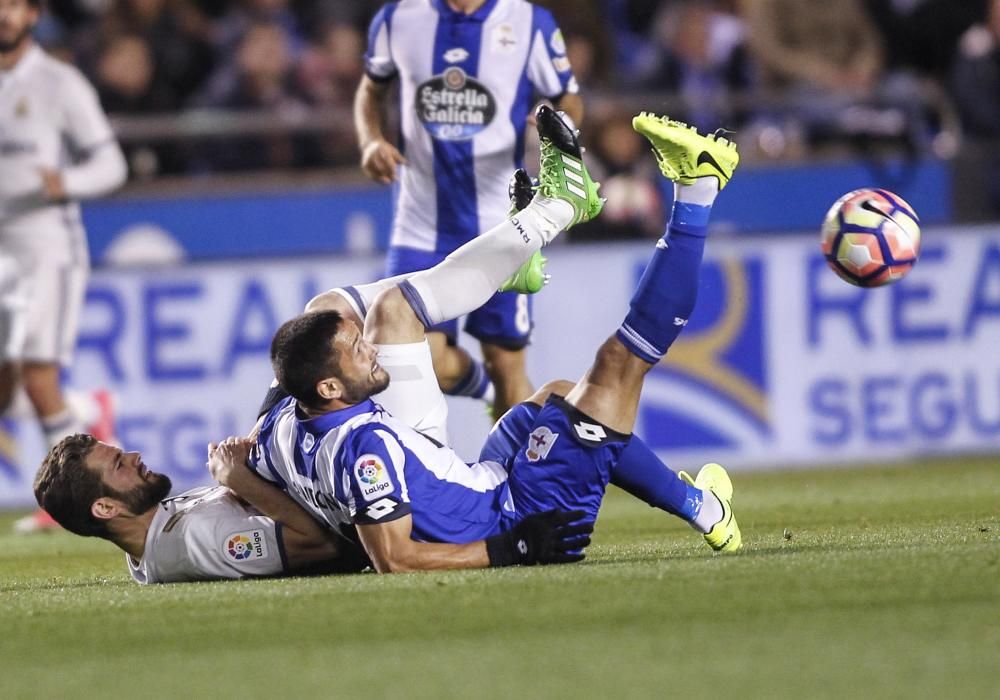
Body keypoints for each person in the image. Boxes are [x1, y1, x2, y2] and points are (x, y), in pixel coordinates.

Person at [243, 105, 742, 573]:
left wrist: (233, 477)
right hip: (522, 515)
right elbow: (392, 560)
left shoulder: (280, 427)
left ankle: (703, 509)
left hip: (483, 480)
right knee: (619, 364)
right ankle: (697, 188)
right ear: (329, 389)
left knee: (554, 395)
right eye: (356, 352)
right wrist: (514, 547)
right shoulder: (364, 447)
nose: (369, 349)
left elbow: (265, 456)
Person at [354, 0, 584, 418]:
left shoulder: (528, 22)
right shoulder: (398, 18)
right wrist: (371, 140)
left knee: (507, 365)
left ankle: (521, 478)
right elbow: (371, 89)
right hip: (420, 227)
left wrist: (556, 125)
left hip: (502, 226)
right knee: (414, 356)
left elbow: (568, 96)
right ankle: (482, 390)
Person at [0, 0, 128, 532]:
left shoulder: (58, 82)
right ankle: (85, 411)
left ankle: (67, 500)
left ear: (32, 14)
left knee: (36, 373)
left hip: (45, 246)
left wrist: (65, 183)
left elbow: (111, 163)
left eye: (11, 5)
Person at [32, 433, 367, 583]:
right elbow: (321, 543)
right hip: (369, 503)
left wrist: (236, 472)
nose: (134, 456)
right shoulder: (194, 542)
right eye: (120, 464)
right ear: (105, 508)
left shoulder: (157, 528)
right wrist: (237, 478)